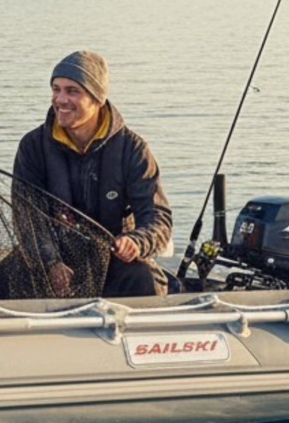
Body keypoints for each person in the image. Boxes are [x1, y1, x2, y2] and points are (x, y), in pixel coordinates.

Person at [12, 50, 172, 297]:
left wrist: (137, 241)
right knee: (11, 274)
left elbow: (157, 217)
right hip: (56, 257)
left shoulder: (133, 148)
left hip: (112, 257)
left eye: (72, 91)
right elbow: (26, 218)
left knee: (145, 278)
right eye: (56, 89)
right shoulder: (32, 146)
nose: (60, 99)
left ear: (97, 99)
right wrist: (51, 262)